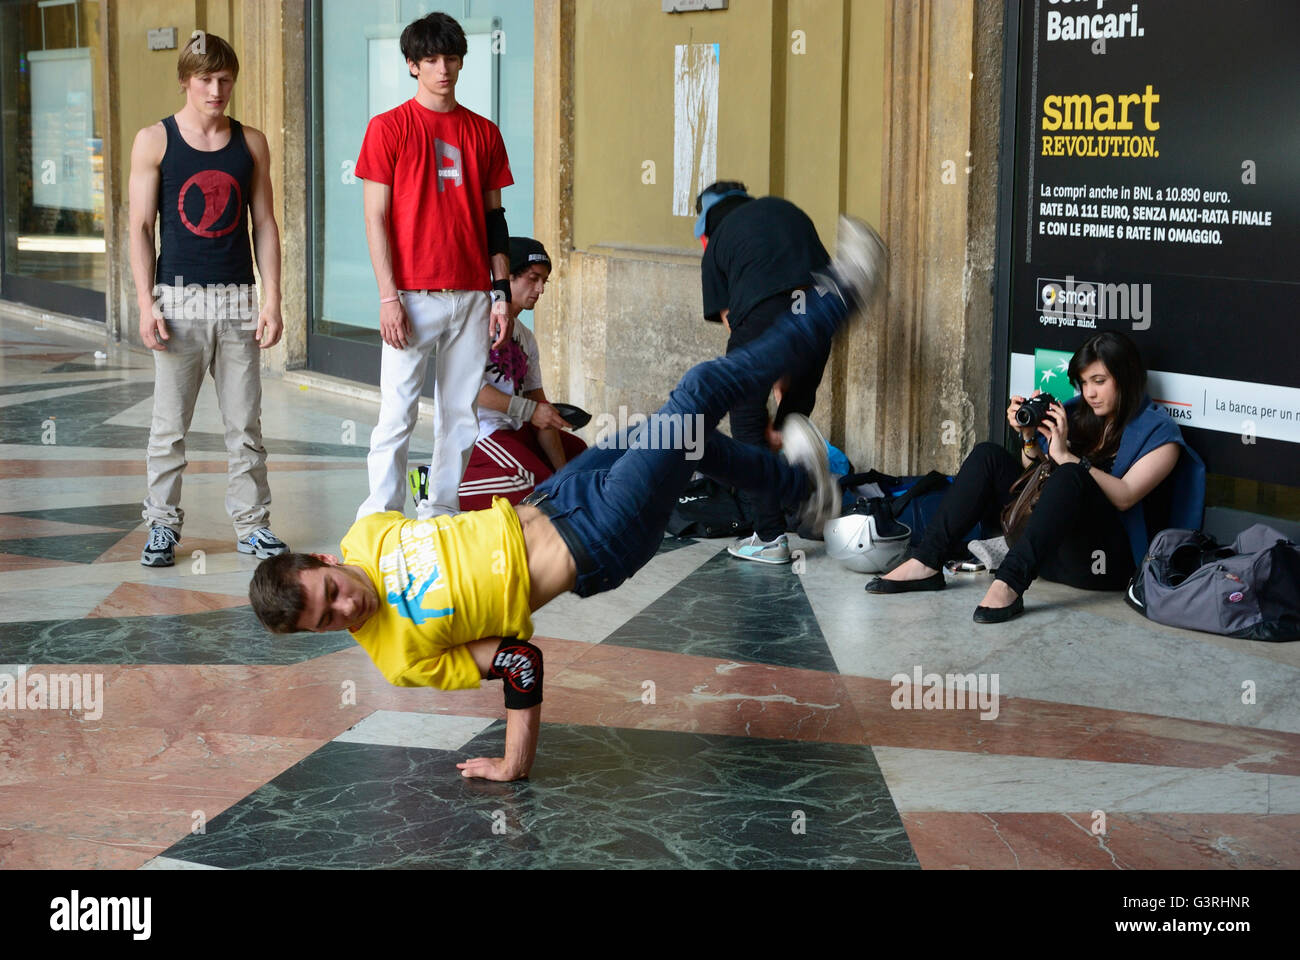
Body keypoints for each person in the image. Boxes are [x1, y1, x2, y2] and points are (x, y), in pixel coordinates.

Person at [248, 217, 886, 782]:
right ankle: (836, 297)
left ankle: (802, 490)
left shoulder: (368, 538)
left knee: (681, 437)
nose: (347, 607)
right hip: (598, 540)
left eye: (330, 593)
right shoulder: (400, 656)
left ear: (322, 560)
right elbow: (520, 663)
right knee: (694, 398)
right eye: (329, 621)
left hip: (556, 498)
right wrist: (513, 764)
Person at [866, 331, 1205, 623]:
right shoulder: (1076, 414)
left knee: (1071, 473)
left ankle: (1010, 584)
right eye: (1084, 383)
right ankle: (926, 562)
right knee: (989, 455)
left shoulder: (1160, 434)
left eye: (1099, 381)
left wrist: (1068, 458)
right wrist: (1029, 437)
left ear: (1127, 378)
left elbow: (1126, 495)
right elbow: (1035, 476)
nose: (1089, 393)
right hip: (1049, 548)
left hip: (1102, 563)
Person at [129, 32, 289, 567]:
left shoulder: (252, 142)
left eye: (224, 79)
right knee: (169, 427)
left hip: (238, 301)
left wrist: (272, 300)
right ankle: (162, 527)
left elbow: (264, 224)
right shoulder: (154, 140)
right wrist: (146, 302)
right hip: (177, 303)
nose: (216, 89)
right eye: (205, 79)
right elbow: (139, 227)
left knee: (245, 424)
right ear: (185, 81)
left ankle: (253, 526)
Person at [354, 11, 515, 523]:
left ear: (463, 61)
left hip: (471, 294)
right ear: (411, 65)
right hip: (411, 296)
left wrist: (502, 294)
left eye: (450, 58)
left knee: (460, 416)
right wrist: (388, 297)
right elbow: (375, 218)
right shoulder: (388, 129)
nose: (442, 68)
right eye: (430, 59)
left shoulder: (483, 133)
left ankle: (440, 512)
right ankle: (380, 516)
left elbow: (495, 221)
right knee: (396, 416)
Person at [694, 181, 832, 565]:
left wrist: (766, 376)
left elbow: (733, 322)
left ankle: (771, 536)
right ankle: (800, 458)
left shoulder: (719, 238)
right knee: (792, 415)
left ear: (705, 223)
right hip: (820, 313)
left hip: (762, 313)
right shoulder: (785, 210)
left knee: (748, 421)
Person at [455, 238, 587, 510]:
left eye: (544, 282)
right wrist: (530, 411)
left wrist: (563, 476)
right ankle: (436, 484)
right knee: (533, 485)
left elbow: (540, 408)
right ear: (509, 277)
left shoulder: (526, 338)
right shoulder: (477, 319)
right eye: (533, 278)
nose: (539, 289)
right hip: (479, 433)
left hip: (514, 428)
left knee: (580, 458)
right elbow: (469, 389)